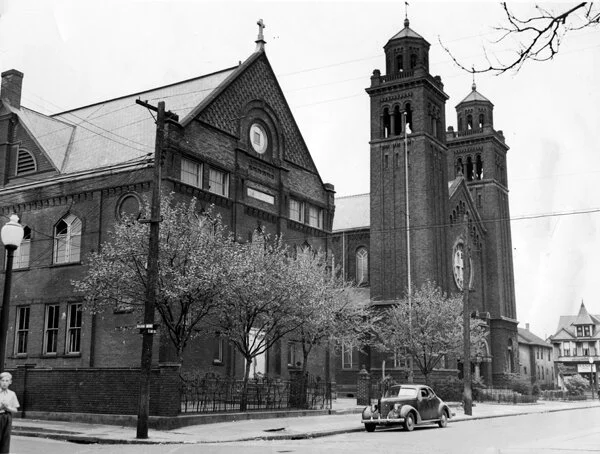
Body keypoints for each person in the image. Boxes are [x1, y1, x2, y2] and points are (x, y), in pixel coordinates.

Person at [0, 372, 19, 453]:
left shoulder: (12, 394)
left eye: (7, 381)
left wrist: (8, 408)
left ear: (10, 382)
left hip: (7, 417)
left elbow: (15, 409)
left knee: (6, 438)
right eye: (3, 380)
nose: (4, 383)